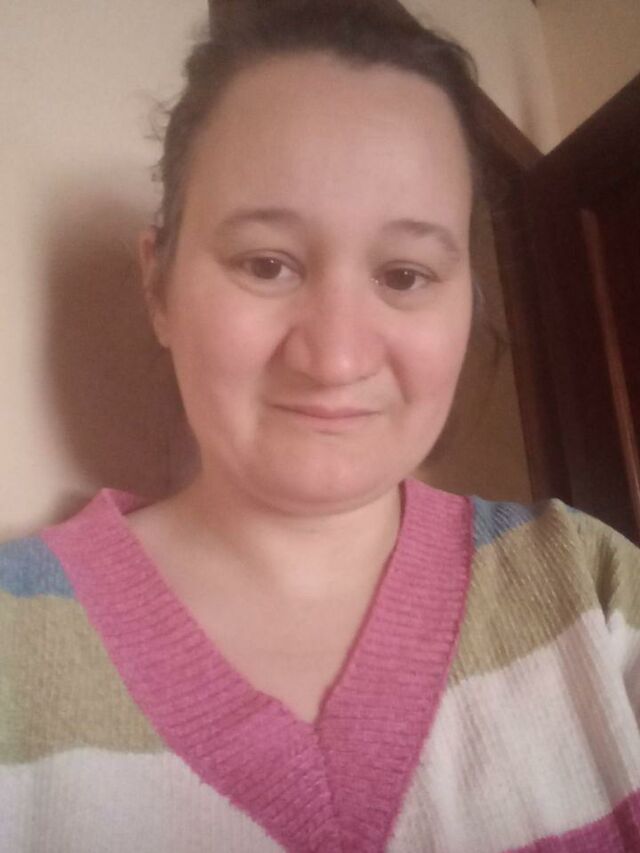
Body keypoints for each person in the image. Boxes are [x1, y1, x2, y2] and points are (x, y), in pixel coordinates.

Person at [1, 1, 639, 851]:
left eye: (405, 275)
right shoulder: (15, 643)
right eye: (267, 263)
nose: (335, 357)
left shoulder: (594, 589)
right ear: (158, 286)